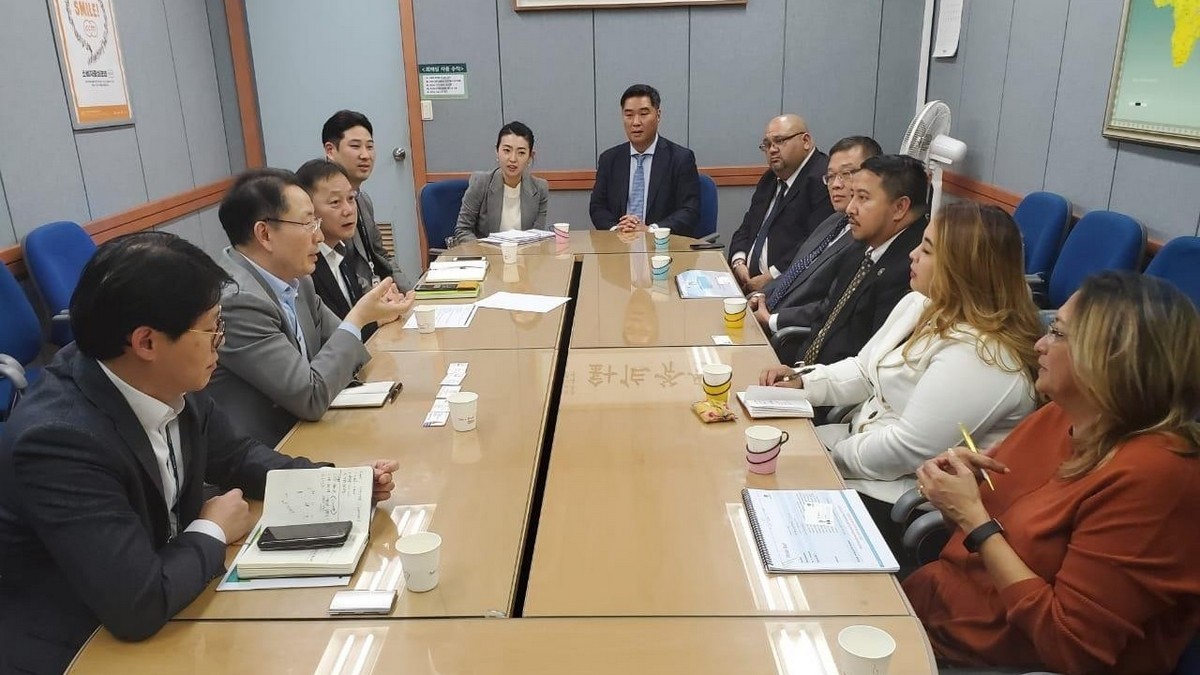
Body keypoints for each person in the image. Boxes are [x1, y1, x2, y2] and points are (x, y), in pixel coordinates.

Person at [0, 232, 399, 675]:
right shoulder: (58, 440)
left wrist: (337, 484)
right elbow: (138, 603)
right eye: (212, 329)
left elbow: (239, 457)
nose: (220, 344)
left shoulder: (161, 378)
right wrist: (211, 528)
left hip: (171, 598)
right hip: (80, 644)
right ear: (146, 342)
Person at [904, 271, 1200, 675]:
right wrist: (954, 488)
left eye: (1058, 333)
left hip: (979, 658)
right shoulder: (1061, 414)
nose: (1040, 344)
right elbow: (1001, 524)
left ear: (1110, 356)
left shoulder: (1157, 474)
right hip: (934, 611)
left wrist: (974, 520)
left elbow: (1072, 646)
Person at [760, 204, 1041, 517]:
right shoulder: (921, 302)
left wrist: (826, 455)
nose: (913, 254)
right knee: (753, 461)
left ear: (963, 267)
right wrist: (804, 382)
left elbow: (906, 451)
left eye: (928, 249)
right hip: (857, 450)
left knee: (765, 494)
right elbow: (865, 370)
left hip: (896, 496)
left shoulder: (983, 356)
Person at [205, 168, 413, 447]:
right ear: (264, 234)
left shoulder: (298, 279)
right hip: (269, 453)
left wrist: (371, 317)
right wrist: (360, 316)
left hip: (312, 428)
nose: (318, 236)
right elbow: (311, 396)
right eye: (308, 224)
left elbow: (345, 353)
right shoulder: (237, 302)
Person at [788, 154, 928, 367]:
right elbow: (824, 321)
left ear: (900, 207)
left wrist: (807, 384)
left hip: (841, 393)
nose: (850, 208)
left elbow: (872, 366)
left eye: (862, 198)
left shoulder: (912, 271)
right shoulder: (859, 249)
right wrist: (796, 370)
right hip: (809, 376)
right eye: (852, 196)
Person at [749, 135, 883, 333]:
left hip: (787, 334)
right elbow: (795, 272)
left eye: (847, 174)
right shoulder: (832, 220)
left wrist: (772, 319)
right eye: (830, 176)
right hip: (764, 312)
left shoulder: (866, 239)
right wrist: (761, 296)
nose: (836, 184)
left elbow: (830, 305)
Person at [729, 115, 834, 291]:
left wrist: (771, 277)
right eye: (767, 145)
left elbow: (815, 245)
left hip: (786, 287)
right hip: (745, 282)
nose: (772, 150)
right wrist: (738, 261)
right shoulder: (770, 179)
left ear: (806, 141)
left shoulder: (823, 180)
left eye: (779, 141)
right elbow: (747, 226)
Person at [589, 84, 700, 236]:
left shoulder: (680, 158)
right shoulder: (609, 159)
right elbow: (597, 207)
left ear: (658, 115)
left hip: (662, 246)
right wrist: (617, 228)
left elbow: (689, 210)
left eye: (643, 114)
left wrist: (651, 230)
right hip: (619, 245)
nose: (636, 122)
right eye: (629, 115)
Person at [322, 109, 413, 291]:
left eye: (370, 147)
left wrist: (412, 293)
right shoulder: (320, 206)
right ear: (330, 150)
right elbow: (339, 272)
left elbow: (381, 256)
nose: (365, 155)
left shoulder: (363, 200)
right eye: (355, 147)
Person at [295, 159, 383, 340]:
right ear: (308, 210)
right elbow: (333, 337)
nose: (349, 210)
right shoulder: (304, 268)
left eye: (351, 199)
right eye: (335, 202)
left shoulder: (343, 248)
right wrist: (377, 319)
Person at [451, 121, 550, 245]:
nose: (513, 159)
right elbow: (463, 230)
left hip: (524, 259)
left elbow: (537, 236)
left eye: (521, 153)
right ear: (497, 151)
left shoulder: (540, 189)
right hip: (486, 258)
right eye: (507, 150)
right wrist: (486, 254)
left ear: (530, 156)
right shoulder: (481, 183)